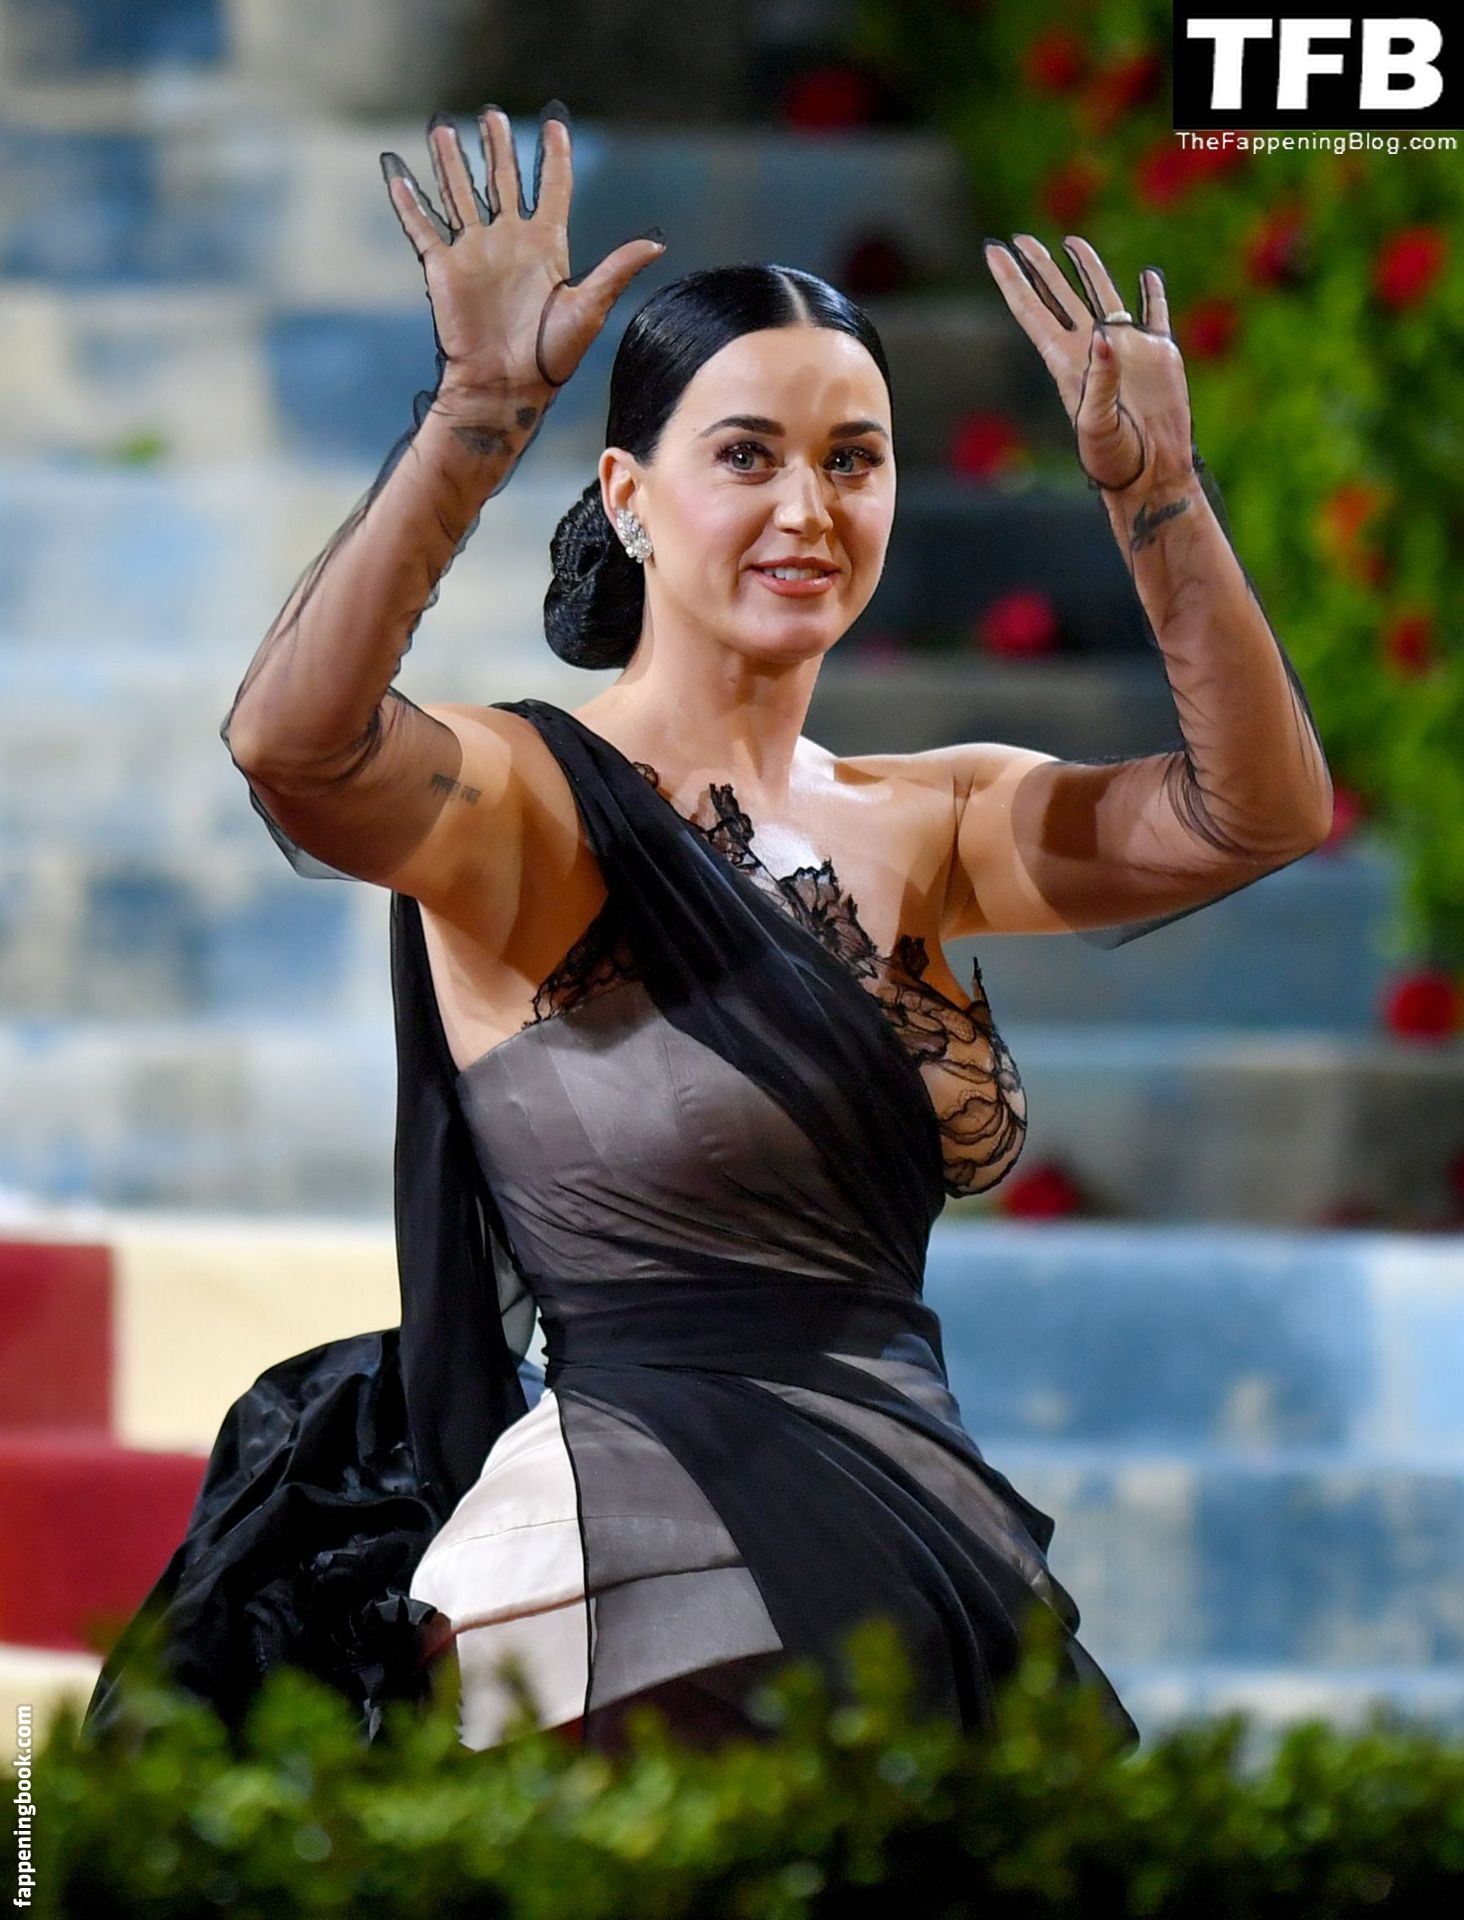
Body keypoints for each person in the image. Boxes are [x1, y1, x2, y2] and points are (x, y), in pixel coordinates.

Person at [83, 100, 1333, 1759]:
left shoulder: (936, 814)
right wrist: (473, 418)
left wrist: (1159, 496)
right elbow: (292, 751)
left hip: (923, 1540)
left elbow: (1256, 814)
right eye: (746, 455)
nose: (808, 506)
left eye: (853, 459)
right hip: (638, 1556)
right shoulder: (533, 799)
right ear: (629, 493)